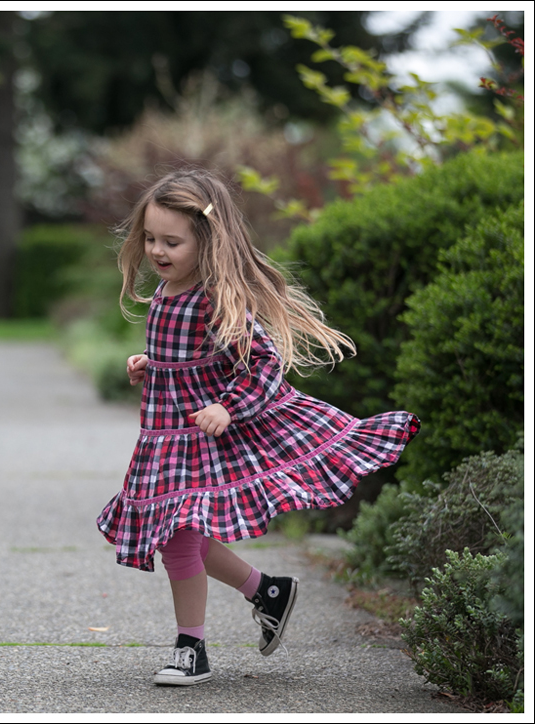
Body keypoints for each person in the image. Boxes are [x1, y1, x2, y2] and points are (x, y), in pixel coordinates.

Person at [96, 168, 420, 686]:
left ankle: (191, 648)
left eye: (172, 242)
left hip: (207, 440)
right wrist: (149, 364)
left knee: (178, 536)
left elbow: (264, 365)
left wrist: (228, 407)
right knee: (177, 534)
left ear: (207, 238)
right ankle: (267, 591)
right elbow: (186, 359)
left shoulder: (216, 300)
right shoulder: (165, 293)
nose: (158, 251)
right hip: (169, 439)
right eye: (151, 239)